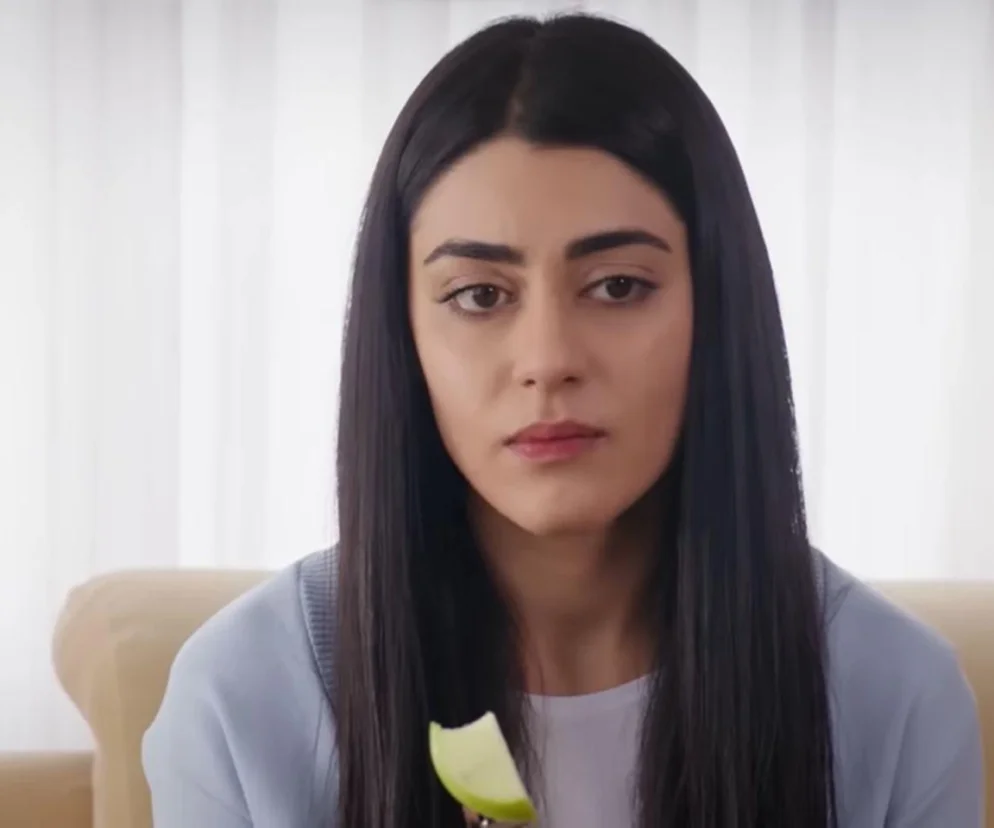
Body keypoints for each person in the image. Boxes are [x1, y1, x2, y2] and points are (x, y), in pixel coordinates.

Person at [142, 12, 984, 828]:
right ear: (401, 334)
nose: (548, 359)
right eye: (480, 295)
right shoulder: (239, 699)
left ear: (717, 308)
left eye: (618, 286)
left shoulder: (894, 696)